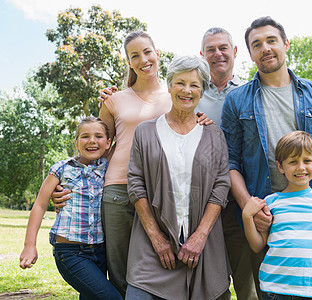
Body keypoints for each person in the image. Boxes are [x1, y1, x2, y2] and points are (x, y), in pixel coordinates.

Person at [50, 31, 211, 297]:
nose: (143, 59)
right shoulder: (113, 100)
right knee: (119, 270)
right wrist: (67, 186)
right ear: (128, 62)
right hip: (118, 190)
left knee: (162, 265)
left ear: (157, 53)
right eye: (134, 55)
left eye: (147, 52)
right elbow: (97, 150)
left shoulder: (175, 94)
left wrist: (203, 120)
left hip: (161, 192)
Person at [198, 27, 312, 300]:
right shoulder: (238, 99)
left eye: (271, 41)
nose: (265, 48)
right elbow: (231, 162)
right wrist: (250, 208)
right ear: (250, 54)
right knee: (270, 292)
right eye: (257, 44)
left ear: (286, 43)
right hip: (267, 218)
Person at [125, 55, 231, 299]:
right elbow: (136, 183)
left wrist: (200, 236)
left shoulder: (214, 134)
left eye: (194, 85)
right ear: (169, 85)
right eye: (180, 82)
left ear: (202, 90)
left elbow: (221, 184)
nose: (187, 90)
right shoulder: (146, 131)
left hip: (203, 247)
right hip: (153, 249)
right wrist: (156, 236)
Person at [242, 131, 312, 300]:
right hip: (274, 288)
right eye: (293, 162)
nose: (301, 167)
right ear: (281, 167)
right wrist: (247, 217)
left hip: (310, 290)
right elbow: (258, 246)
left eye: (307, 161)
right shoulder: (270, 203)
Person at [19, 117, 122, 300]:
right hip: (70, 253)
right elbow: (40, 205)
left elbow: (126, 137)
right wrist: (30, 245)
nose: (91, 140)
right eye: (85, 136)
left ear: (108, 143)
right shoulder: (61, 169)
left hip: (100, 251)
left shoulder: (108, 167)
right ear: (76, 142)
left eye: (98, 136)